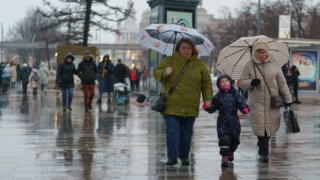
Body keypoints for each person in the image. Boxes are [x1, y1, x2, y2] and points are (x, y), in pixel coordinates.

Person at [153, 38, 213, 166]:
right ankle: (172, 156)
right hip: (170, 104)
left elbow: (206, 83)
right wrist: (165, 72)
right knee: (172, 129)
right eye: (183, 47)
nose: (186, 50)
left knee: (187, 132)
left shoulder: (199, 64)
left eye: (189, 48)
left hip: (190, 105)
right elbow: (156, 73)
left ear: (193, 50)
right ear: (178, 49)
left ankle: (184, 156)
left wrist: (208, 99)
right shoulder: (169, 60)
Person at [240, 41, 292, 163]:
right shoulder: (249, 65)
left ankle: (262, 145)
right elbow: (242, 83)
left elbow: (282, 84)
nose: (261, 55)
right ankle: (264, 153)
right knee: (260, 128)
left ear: (267, 52)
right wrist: (251, 82)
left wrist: (288, 100)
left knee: (269, 128)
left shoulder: (275, 65)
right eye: (258, 52)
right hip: (256, 102)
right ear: (255, 53)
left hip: (272, 102)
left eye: (263, 52)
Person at [203, 74, 249, 167]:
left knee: (234, 140)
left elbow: (241, 103)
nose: (224, 83)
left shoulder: (235, 94)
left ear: (230, 82)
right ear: (219, 84)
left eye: (226, 81)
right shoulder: (218, 96)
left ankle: (231, 151)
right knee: (224, 140)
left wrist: (244, 109)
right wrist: (208, 107)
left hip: (234, 122)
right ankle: (224, 156)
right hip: (222, 122)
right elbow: (213, 107)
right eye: (222, 82)